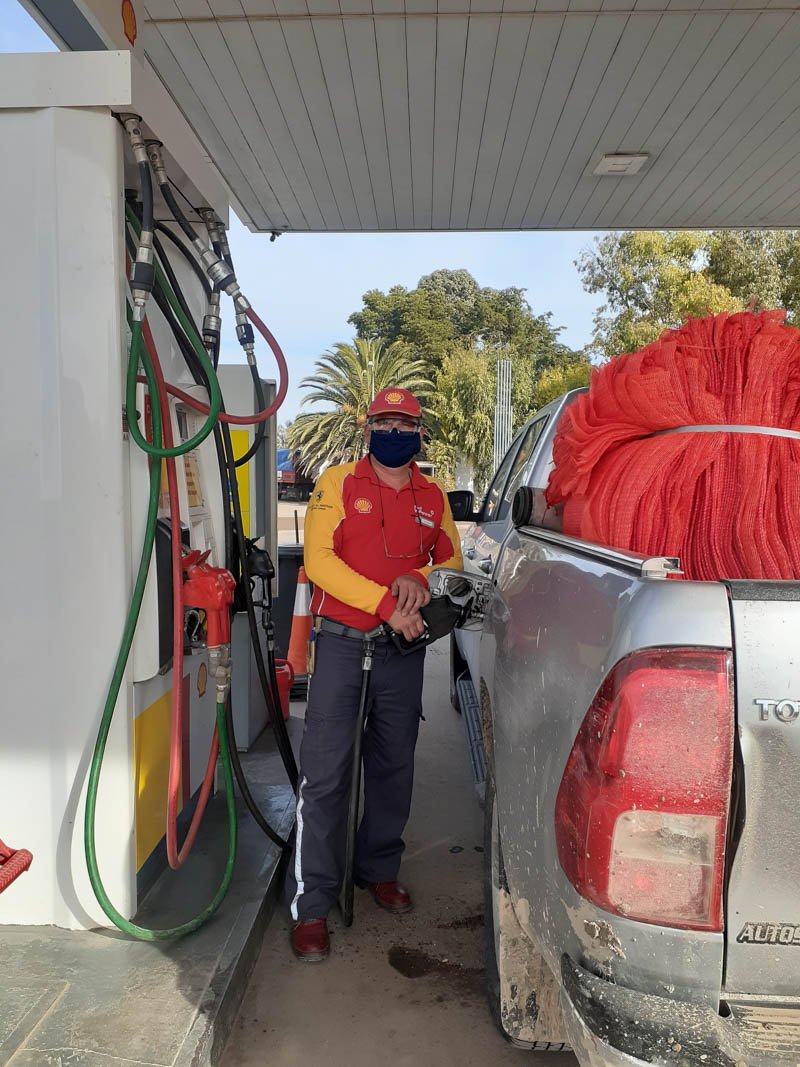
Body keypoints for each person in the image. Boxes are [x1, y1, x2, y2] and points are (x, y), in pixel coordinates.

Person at [285, 387, 463, 962]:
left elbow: (451, 560)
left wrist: (421, 576)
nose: (394, 429)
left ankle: (377, 869)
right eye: (383, 421)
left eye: (403, 422)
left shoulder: (432, 496)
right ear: (368, 429)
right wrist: (386, 603)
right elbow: (319, 560)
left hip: (401, 654)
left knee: (393, 766)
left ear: (417, 432)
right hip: (340, 647)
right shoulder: (337, 484)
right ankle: (312, 902)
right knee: (327, 772)